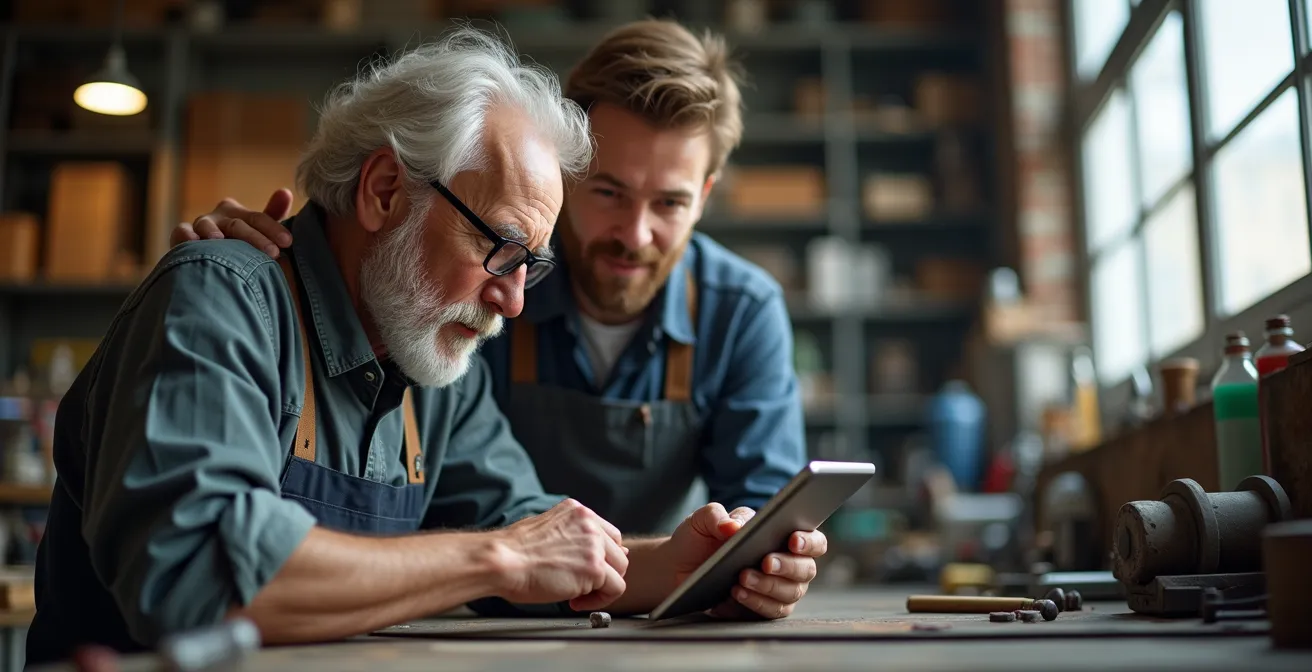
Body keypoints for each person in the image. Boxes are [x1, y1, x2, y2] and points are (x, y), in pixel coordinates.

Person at [28, 27, 827, 666]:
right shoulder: (222, 301)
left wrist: (680, 568)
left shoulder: (431, 360)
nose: (513, 302)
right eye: (501, 250)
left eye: (531, 267)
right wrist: (495, 561)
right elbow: (200, 572)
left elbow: (529, 528)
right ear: (384, 191)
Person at [172, 18, 809, 536]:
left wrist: (748, 557)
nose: (512, 301)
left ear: (705, 196)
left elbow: (515, 520)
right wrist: (228, 278)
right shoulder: (425, 302)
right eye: (611, 192)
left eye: (669, 203)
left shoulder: (737, 308)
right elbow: (205, 563)